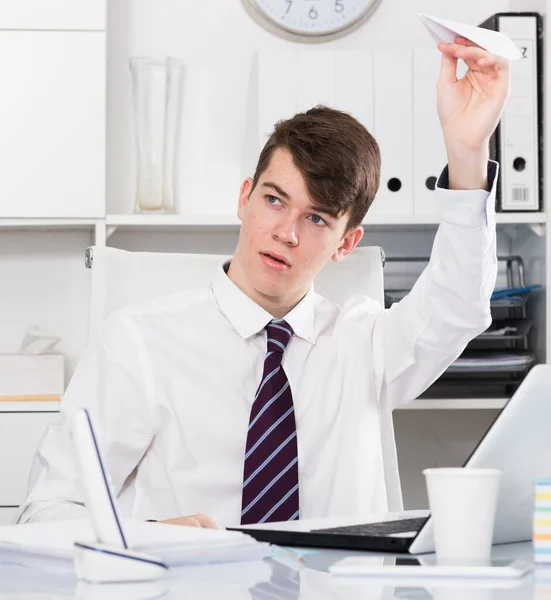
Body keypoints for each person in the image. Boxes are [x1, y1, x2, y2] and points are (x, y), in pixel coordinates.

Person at [17, 37, 509, 529]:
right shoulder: (137, 343)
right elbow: (46, 514)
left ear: (346, 243)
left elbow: (457, 304)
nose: (286, 233)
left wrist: (466, 153)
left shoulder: (365, 346)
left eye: (316, 219)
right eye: (275, 200)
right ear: (245, 197)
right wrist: (150, 539)